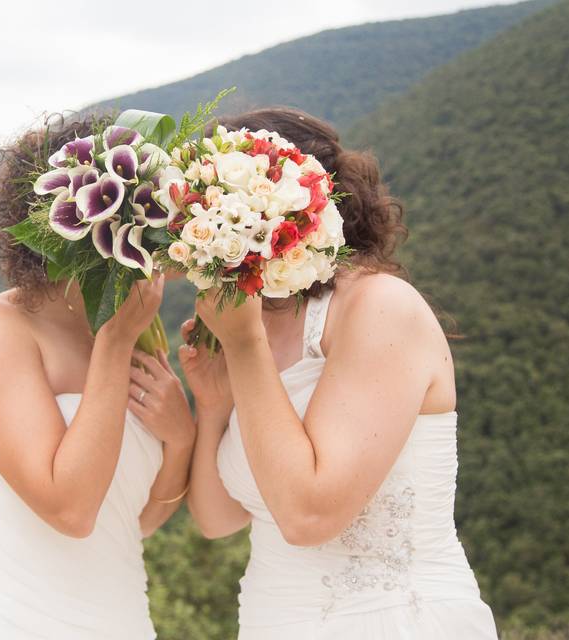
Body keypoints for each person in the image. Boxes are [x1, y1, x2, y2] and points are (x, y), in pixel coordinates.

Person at [183, 107, 498, 639]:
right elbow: (219, 521)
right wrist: (213, 408)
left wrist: (243, 347)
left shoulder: (379, 306)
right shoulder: (256, 320)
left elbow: (309, 516)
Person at [0, 115, 196, 639]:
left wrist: (182, 438)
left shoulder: (139, 331)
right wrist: (115, 344)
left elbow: (131, 523)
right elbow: (71, 510)